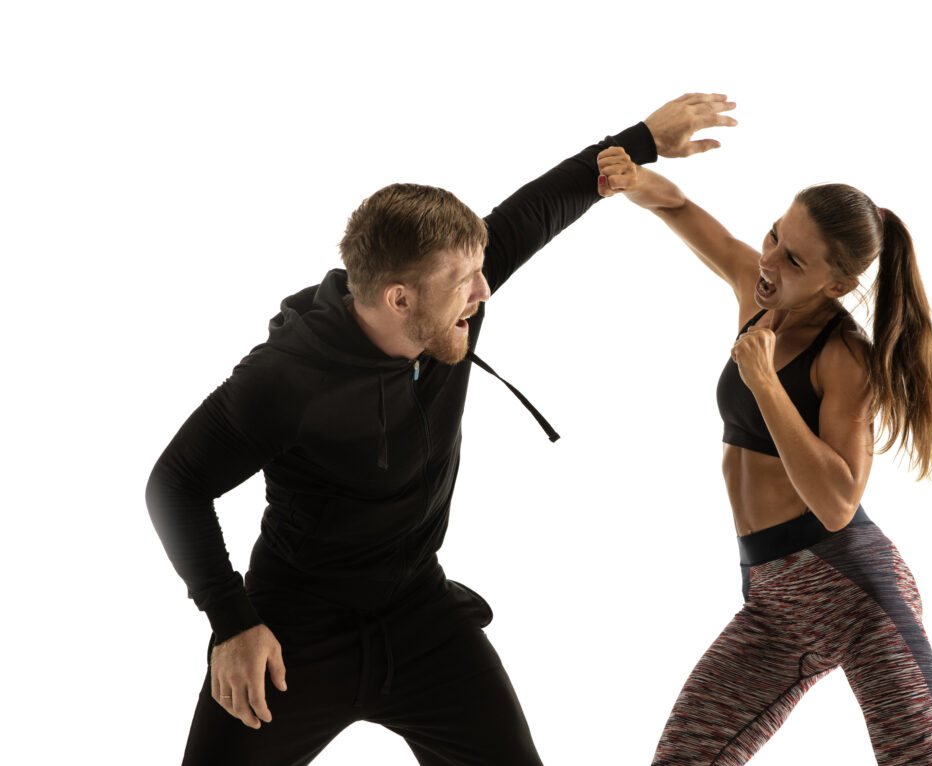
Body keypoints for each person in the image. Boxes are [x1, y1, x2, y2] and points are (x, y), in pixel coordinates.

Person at [145, 93, 737, 766]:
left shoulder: (448, 298)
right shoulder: (287, 377)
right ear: (401, 298)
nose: (483, 293)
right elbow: (176, 483)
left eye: (479, 272)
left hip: (418, 610)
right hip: (296, 629)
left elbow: (539, 207)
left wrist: (643, 139)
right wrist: (233, 623)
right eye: (465, 283)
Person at [598, 147, 932, 764]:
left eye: (794, 259)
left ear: (837, 283)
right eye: (773, 235)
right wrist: (636, 180)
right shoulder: (756, 290)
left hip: (856, 593)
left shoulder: (845, 357)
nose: (768, 260)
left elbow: (839, 503)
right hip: (773, 602)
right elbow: (679, 208)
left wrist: (764, 383)